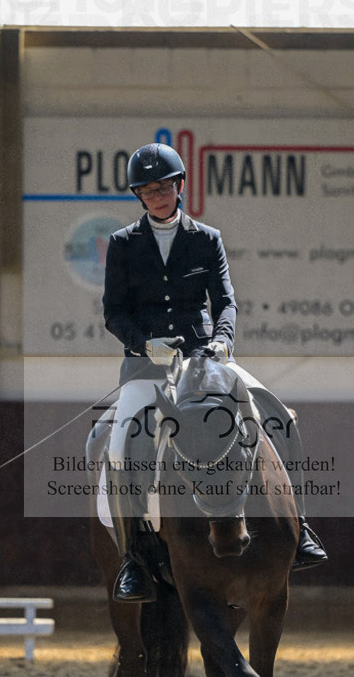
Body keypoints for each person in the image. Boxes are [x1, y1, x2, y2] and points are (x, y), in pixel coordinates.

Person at [102, 142, 327, 602]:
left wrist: (223, 339)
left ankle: (300, 526)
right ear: (138, 196)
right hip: (148, 362)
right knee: (125, 442)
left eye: (164, 186)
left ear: (180, 186)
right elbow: (113, 312)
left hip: (206, 357)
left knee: (278, 415)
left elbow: (225, 301)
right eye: (148, 189)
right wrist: (144, 343)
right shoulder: (124, 245)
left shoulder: (206, 238)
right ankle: (136, 556)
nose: (158, 194)